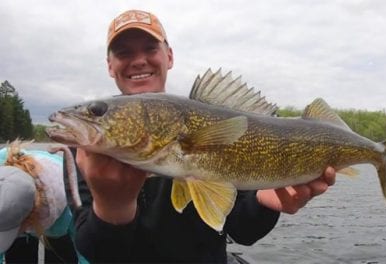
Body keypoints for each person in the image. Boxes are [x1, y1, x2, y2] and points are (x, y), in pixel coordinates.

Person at [72, 9, 336, 263]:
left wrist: (264, 203)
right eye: (123, 52)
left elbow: (243, 230)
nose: (139, 60)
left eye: (150, 49)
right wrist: (112, 207)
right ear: (110, 66)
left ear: (170, 56)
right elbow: (94, 252)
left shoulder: (211, 116)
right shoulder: (88, 151)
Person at [0, 142, 86, 264]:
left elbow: (85, 254)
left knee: (59, 252)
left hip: (58, 213)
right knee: (18, 251)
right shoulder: (3, 170)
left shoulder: (72, 204)